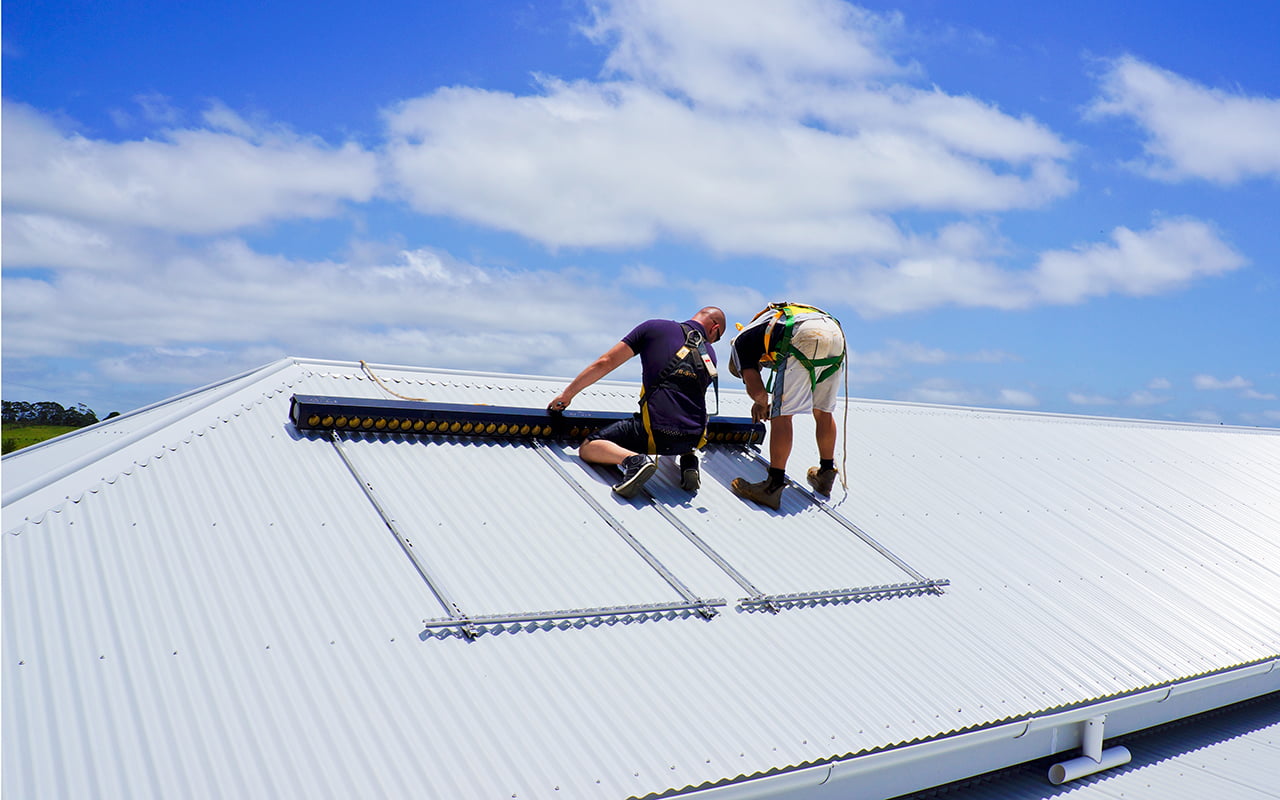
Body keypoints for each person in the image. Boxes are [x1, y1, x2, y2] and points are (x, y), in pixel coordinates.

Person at [549, 307, 726, 498]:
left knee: (589, 447)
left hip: (655, 433)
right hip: (693, 438)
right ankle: (689, 460)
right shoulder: (710, 355)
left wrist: (567, 395)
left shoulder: (655, 328)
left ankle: (634, 461)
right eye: (716, 338)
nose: (711, 342)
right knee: (679, 423)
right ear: (714, 328)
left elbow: (606, 362)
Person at [727, 302, 846, 510]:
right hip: (834, 333)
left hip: (804, 335)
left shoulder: (740, 344)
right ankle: (826, 474)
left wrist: (760, 402)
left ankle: (772, 487)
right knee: (823, 411)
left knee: (781, 414)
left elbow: (758, 390)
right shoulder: (768, 327)